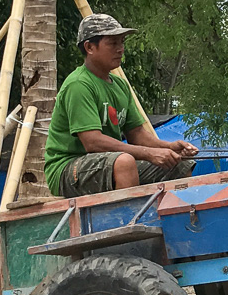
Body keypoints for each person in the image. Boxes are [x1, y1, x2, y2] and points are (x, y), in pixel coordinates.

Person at [45, 14, 198, 198]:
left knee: (178, 163)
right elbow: (92, 142)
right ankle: (127, 217)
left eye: (121, 42)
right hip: (67, 168)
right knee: (124, 163)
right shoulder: (79, 84)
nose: (120, 49)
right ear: (89, 47)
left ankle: (179, 215)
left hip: (107, 162)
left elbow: (137, 134)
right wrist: (149, 154)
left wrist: (169, 147)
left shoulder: (120, 85)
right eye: (112, 43)